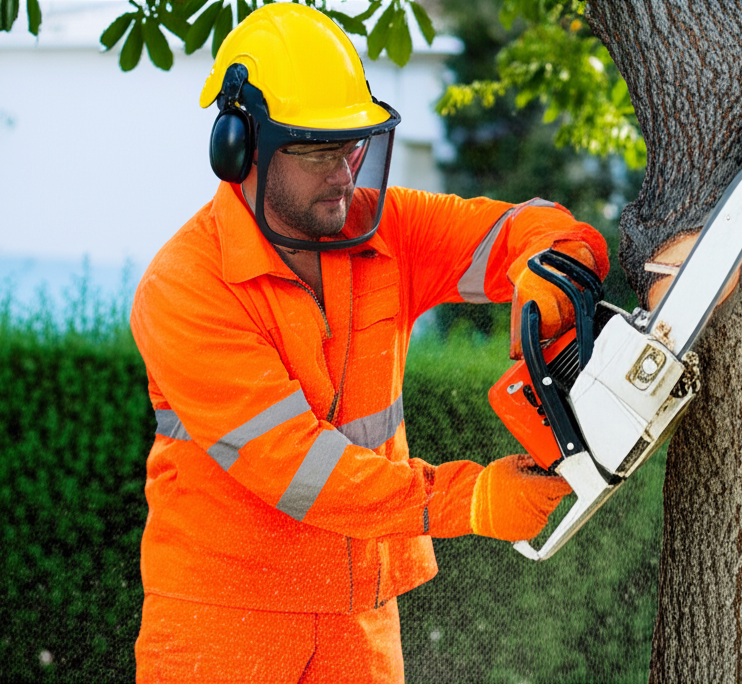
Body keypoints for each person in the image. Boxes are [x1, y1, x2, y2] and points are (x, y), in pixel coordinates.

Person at [129, 4, 609, 682]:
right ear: (239, 148)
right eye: (317, 151)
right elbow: (295, 466)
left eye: (351, 146)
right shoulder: (186, 287)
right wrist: (464, 500)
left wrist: (554, 262)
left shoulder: (381, 231)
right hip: (222, 626)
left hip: (361, 617)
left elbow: (522, 225)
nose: (344, 172)